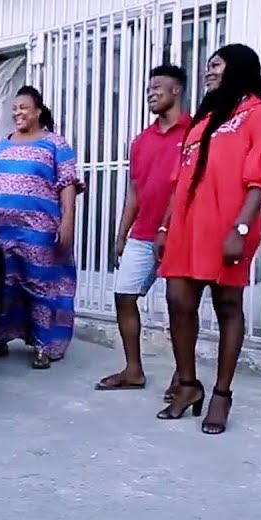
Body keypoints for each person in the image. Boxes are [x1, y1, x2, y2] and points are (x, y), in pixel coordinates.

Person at [154, 44, 261, 435]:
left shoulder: (258, 115)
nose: (208, 72)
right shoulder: (205, 118)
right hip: (187, 227)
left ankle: (222, 394)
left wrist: (240, 229)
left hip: (229, 226)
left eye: (216, 65)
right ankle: (188, 385)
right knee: (178, 300)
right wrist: (165, 226)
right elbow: (181, 179)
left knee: (227, 305)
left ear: (237, 68)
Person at [97, 65, 190, 393]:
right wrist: (121, 234)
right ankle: (133, 370)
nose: (151, 93)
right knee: (124, 295)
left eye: (158, 87)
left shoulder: (194, 133)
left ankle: (183, 376)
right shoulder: (141, 141)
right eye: (149, 88)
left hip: (180, 234)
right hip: (143, 233)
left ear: (176, 90)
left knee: (179, 306)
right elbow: (134, 191)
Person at [0, 86, 84, 370]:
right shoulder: (1, 146)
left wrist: (67, 222)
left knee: (40, 286)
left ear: (38, 111)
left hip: (38, 231)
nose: (18, 113)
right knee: (3, 286)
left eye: (24, 108)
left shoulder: (56, 144)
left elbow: (67, 185)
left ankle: (43, 346)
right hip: (1, 231)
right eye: (15, 108)